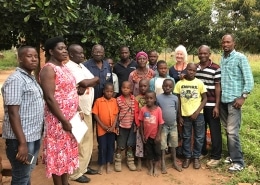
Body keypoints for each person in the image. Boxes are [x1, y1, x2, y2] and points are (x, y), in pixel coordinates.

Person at [1, 46, 44, 185]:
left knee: (26, 173)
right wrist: (23, 144)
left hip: (33, 136)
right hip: (21, 140)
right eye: (29, 56)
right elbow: (13, 113)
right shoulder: (16, 80)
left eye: (36, 56)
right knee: (21, 177)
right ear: (20, 58)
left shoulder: (30, 78)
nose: (34, 59)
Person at [39, 37, 80, 185]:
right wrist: (63, 120)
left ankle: (65, 182)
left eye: (65, 48)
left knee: (67, 152)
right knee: (58, 153)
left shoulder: (64, 67)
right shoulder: (49, 69)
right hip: (58, 120)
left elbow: (70, 90)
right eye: (60, 48)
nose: (64, 51)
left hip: (70, 119)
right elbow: (49, 98)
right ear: (51, 51)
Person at [219, 34, 254, 172]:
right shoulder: (222, 58)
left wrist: (243, 97)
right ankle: (232, 156)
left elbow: (249, 80)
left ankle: (238, 162)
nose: (225, 44)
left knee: (232, 132)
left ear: (234, 43)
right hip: (223, 100)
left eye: (228, 42)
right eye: (223, 42)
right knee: (227, 130)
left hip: (234, 101)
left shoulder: (240, 58)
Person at [66, 44, 100, 183]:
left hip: (86, 109)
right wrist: (90, 82)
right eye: (78, 53)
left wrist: (89, 82)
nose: (82, 55)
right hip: (78, 110)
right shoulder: (70, 66)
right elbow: (88, 81)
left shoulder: (80, 66)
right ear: (71, 54)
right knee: (80, 141)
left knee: (87, 140)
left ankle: (83, 167)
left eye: (82, 53)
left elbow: (92, 80)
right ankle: (75, 173)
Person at [174, 63, 207, 169]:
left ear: (196, 71)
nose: (191, 72)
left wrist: (197, 112)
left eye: (193, 70)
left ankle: (196, 157)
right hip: (185, 115)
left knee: (199, 137)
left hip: (198, 115)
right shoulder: (179, 83)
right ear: (185, 70)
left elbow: (205, 99)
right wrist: (179, 116)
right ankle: (187, 157)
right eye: (189, 70)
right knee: (186, 136)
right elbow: (178, 100)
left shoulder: (199, 83)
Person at [195, 45, 222, 168]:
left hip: (211, 105)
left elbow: (217, 87)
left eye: (205, 53)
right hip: (199, 105)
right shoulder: (195, 67)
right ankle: (203, 151)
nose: (202, 55)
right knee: (201, 130)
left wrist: (217, 105)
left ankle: (216, 156)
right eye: (200, 53)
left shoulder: (215, 68)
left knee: (214, 130)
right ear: (198, 54)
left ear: (209, 54)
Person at [92, 83, 119, 174]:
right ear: (103, 91)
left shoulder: (114, 101)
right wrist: (103, 126)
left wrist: (113, 126)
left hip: (112, 129)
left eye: (111, 91)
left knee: (110, 146)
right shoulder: (98, 101)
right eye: (107, 91)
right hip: (101, 129)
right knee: (102, 147)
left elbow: (116, 115)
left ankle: (108, 163)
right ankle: (101, 164)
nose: (109, 93)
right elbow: (95, 114)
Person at [157, 79, 182, 173]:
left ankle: (174, 161)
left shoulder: (175, 98)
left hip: (173, 125)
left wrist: (178, 118)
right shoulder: (159, 98)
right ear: (162, 86)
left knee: (174, 144)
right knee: (163, 145)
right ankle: (163, 163)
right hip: (163, 126)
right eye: (165, 86)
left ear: (173, 88)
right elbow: (157, 110)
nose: (167, 88)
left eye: (170, 86)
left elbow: (176, 110)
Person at [115, 81, 139, 172]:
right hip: (122, 126)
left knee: (130, 145)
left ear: (131, 89)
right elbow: (116, 113)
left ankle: (130, 161)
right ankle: (118, 161)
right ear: (121, 88)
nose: (125, 89)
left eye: (128, 88)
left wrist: (137, 124)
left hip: (132, 126)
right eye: (124, 88)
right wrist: (116, 126)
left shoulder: (134, 99)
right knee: (120, 145)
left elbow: (136, 113)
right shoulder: (118, 100)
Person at [139, 91, 164, 176]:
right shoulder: (143, 109)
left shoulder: (158, 110)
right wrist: (142, 135)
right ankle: (151, 168)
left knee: (157, 153)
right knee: (149, 153)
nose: (149, 100)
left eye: (151, 98)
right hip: (147, 137)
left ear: (155, 99)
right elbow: (141, 123)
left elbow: (161, 123)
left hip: (155, 137)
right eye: (147, 98)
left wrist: (158, 135)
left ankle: (156, 168)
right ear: (145, 99)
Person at [135, 79, 150, 171]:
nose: (143, 88)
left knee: (148, 142)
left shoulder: (151, 97)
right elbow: (136, 112)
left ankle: (148, 160)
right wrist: (138, 124)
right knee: (139, 143)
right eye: (141, 86)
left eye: (145, 86)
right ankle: (139, 160)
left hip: (149, 125)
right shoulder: (136, 98)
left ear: (148, 86)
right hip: (140, 124)